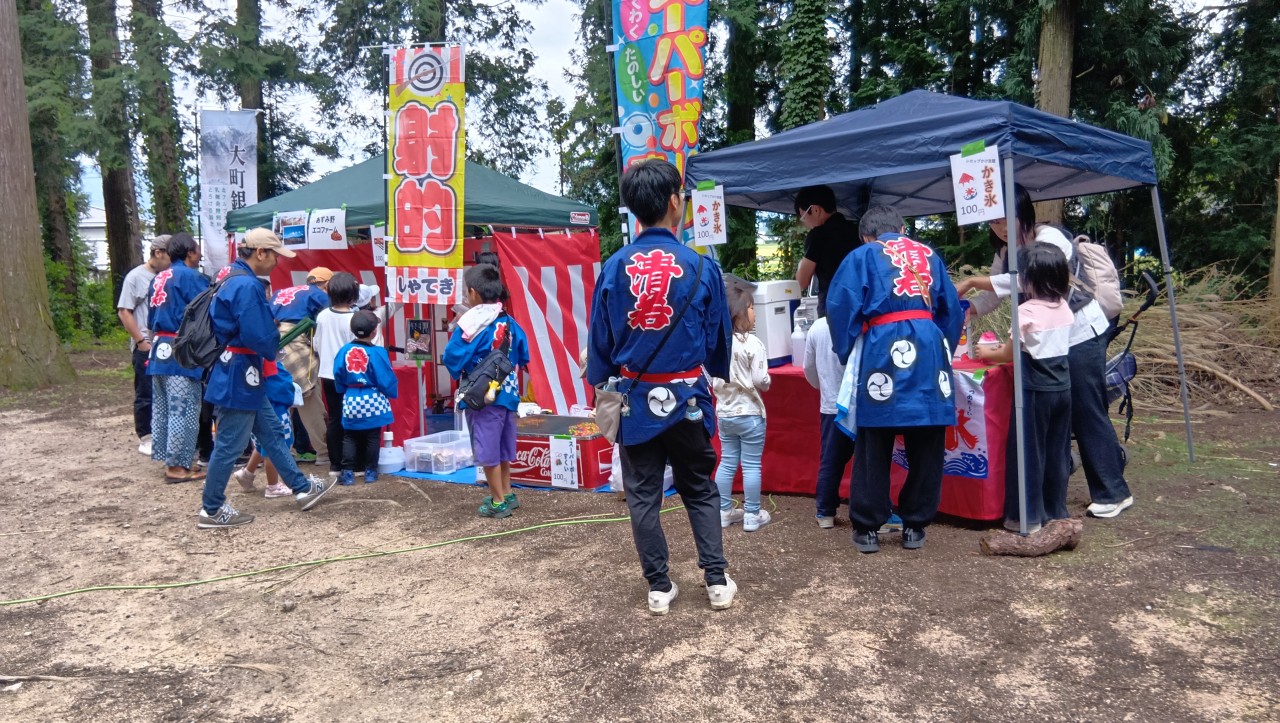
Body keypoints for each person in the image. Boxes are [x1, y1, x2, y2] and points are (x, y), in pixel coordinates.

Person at [587, 159, 736, 615]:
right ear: (675, 201)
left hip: (635, 402)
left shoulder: (614, 267)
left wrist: (603, 380)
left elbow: (600, 345)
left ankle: (658, 586)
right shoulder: (700, 265)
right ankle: (715, 579)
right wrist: (711, 366)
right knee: (699, 487)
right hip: (688, 396)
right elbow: (718, 339)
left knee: (644, 494)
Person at [957, 184, 1135, 519]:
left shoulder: (1050, 238)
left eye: (1004, 218)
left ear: (1022, 212)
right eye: (993, 222)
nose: (999, 227)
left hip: (1079, 331)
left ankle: (1113, 491)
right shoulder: (1006, 253)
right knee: (1061, 413)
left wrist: (972, 282)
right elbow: (995, 295)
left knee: (1086, 406)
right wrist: (965, 307)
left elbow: (1022, 281)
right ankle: (1054, 493)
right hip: (1049, 338)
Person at [826, 205, 962, 554]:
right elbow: (950, 310)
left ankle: (868, 527)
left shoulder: (863, 255)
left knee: (874, 436)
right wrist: (939, 344)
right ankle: (916, 524)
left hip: (883, 347)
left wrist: (848, 349)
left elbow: (840, 305)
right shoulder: (929, 254)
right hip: (928, 347)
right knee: (927, 434)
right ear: (903, 229)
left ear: (866, 235)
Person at [198, 228, 334, 528]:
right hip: (241, 369)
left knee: (272, 433)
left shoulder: (228, 276)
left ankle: (301, 488)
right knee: (230, 442)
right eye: (274, 255)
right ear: (260, 253)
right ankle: (211, 507)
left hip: (240, 367)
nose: (277, 262)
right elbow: (260, 335)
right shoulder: (246, 285)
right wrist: (273, 338)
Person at [973, 243, 1075, 533]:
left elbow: (1007, 354)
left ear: (1030, 280)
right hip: (1063, 389)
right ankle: (1055, 512)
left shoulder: (1026, 311)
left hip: (1034, 392)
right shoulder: (1064, 306)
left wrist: (985, 353)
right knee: (1057, 453)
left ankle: (1026, 517)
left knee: (1028, 453)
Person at [444, 264, 531, 518]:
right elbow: (523, 353)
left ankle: (497, 502)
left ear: (473, 293)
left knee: (488, 448)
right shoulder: (508, 319)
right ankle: (507, 492)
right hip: (509, 392)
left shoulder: (471, 324)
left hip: (483, 395)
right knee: (503, 445)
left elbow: (452, 356)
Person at [144, 232, 209, 483]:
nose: (199, 253)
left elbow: (150, 318)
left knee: (163, 407)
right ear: (190, 252)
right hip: (180, 348)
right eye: (197, 249)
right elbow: (206, 312)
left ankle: (169, 459)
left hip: (159, 345)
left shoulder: (159, 277)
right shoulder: (191, 277)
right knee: (183, 407)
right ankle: (177, 466)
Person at [711, 274, 772, 532]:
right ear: (739, 312)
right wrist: (767, 381)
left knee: (726, 462)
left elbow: (710, 379)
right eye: (751, 308)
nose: (754, 313)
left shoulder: (717, 345)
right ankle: (751, 515)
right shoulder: (754, 344)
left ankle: (724, 512)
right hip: (750, 414)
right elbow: (761, 379)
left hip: (725, 414)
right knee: (750, 465)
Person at [272, 266, 333, 465]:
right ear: (326, 284)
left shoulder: (280, 292)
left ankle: (280, 452)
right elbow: (329, 320)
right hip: (296, 344)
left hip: (273, 344)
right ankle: (323, 452)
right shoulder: (318, 294)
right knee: (309, 399)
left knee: (279, 402)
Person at [117, 235, 171, 455]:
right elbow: (124, 311)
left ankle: (165, 434)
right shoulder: (136, 277)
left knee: (167, 391)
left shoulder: (169, 276)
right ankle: (146, 436)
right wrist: (140, 341)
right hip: (146, 344)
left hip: (167, 344)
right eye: (170, 256)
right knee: (145, 390)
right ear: (158, 253)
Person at [334, 310, 398, 485]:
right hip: (373, 397)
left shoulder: (344, 350)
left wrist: (342, 389)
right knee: (372, 436)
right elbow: (386, 378)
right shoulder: (378, 352)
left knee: (349, 436)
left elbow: (338, 374)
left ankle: (347, 473)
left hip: (352, 397)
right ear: (374, 331)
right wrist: (391, 391)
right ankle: (370, 471)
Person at [803, 314, 850, 529]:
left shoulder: (817, 327)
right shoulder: (860, 319)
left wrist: (823, 387)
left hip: (831, 403)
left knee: (831, 460)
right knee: (869, 460)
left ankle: (825, 512)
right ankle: (873, 511)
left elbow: (809, 368)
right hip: (861, 403)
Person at [313, 272, 360, 476]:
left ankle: (335, 465)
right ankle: (355, 464)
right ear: (353, 294)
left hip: (327, 373)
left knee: (334, 418)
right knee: (353, 418)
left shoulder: (322, 316)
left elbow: (316, 344)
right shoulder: (354, 319)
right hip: (349, 375)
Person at [231, 365, 301, 499]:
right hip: (275, 410)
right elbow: (283, 385)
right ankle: (273, 486)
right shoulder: (270, 363)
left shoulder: (252, 363)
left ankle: (247, 473)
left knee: (262, 444)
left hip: (258, 409)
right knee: (273, 448)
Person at [794, 185, 861, 316]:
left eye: (803, 217)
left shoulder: (818, 235)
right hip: (859, 305)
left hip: (833, 308)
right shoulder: (856, 230)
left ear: (815, 210)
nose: (806, 224)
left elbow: (801, 282)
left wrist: (802, 263)